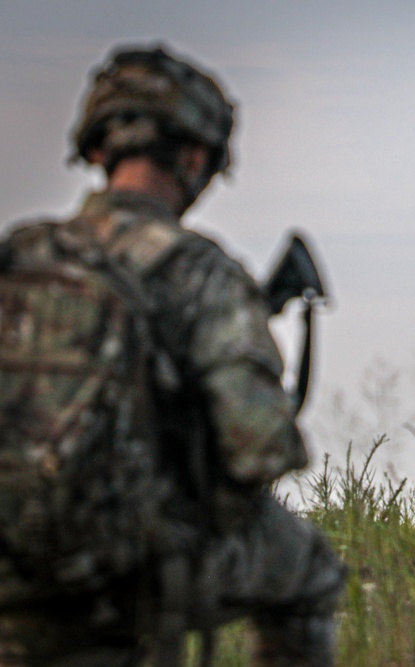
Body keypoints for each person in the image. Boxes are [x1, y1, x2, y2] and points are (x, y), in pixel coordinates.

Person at [0, 44, 344, 665]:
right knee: (313, 575)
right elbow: (261, 443)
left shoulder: (19, 256)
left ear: (99, 151)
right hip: (130, 564)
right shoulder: (201, 273)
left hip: (9, 564)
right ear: (195, 158)